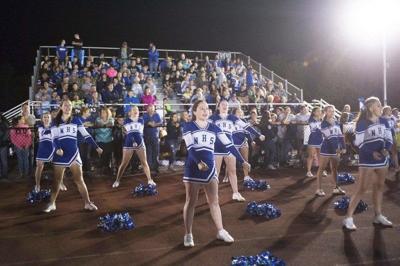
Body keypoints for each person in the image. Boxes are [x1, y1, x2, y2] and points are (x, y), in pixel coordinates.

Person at [182, 100, 251, 247]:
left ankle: (220, 230)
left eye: (207, 108)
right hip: (193, 168)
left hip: (210, 168)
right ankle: (188, 233)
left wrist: (242, 160)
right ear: (194, 112)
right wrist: (198, 163)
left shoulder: (214, 127)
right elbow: (191, 148)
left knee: (214, 201)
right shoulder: (188, 126)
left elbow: (229, 145)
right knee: (191, 202)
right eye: (201, 109)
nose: (205, 111)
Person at [343, 97, 393, 230]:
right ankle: (348, 217)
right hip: (367, 159)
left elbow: (389, 138)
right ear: (371, 108)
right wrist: (372, 153)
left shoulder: (384, 121)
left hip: (382, 159)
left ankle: (378, 215)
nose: (381, 108)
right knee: (362, 189)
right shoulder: (362, 123)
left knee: (379, 187)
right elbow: (359, 143)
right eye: (379, 105)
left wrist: (386, 149)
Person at [44, 100, 103, 213]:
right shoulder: (55, 121)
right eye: (65, 105)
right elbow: (54, 138)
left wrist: (96, 147)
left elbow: (86, 135)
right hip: (60, 154)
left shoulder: (76, 120)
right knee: (56, 180)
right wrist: (57, 149)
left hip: (73, 154)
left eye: (70, 106)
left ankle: (87, 203)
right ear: (61, 107)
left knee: (79, 180)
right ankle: (52, 204)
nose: (68, 107)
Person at [209, 100, 264, 201]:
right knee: (215, 172)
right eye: (222, 104)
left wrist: (258, 134)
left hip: (230, 147)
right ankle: (213, 194)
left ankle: (236, 193)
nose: (225, 106)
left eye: (226, 105)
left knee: (232, 170)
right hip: (217, 148)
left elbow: (246, 126)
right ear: (218, 107)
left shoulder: (232, 117)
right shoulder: (213, 118)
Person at [112, 106, 156, 188]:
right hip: (129, 143)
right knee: (124, 163)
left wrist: (136, 141)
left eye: (137, 110)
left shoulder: (141, 120)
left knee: (144, 162)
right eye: (134, 110)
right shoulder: (126, 121)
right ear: (130, 112)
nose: (136, 111)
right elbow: (129, 132)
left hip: (139, 142)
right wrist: (133, 141)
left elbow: (139, 132)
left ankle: (150, 179)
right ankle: (117, 180)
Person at [315, 105, 346, 197]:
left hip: (336, 149)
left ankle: (336, 188)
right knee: (321, 169)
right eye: (329, 111)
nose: (331, 112)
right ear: (325, 112)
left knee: (335, 169)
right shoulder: (324, 123)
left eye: (333, 111)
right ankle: (319, 189)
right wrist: (337, 149)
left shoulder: (336, 122)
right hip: (327, 149)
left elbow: (340, 136)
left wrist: (343, 147)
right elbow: (329, 138)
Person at [34, 112, 67, 192]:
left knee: (61, 166)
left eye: (48, 117)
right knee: (39, 167)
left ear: (50, 119)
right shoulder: (40, 126)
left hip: (53, 148)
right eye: (44, 117)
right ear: (42, 119)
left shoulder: (54, 126)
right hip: (43, 149)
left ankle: (61, 183)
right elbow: (45, 132)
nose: (46, 119)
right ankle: (37, 185)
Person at [232, 107, 262, 181]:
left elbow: (247, 132)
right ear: (234, 114)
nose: (240, 113)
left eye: (241, 112)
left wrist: (252, 141)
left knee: (245, 160)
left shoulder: (244, 121)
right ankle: (229, 175)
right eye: (238, 112)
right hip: (233, 143)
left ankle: (246, 176)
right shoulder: (230, 122)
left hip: (243, 142)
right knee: (231, 161)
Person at [143, 104, 162, 174]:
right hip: (147, 136)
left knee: (156, 152)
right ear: (147, 109)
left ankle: (155, 167)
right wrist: (149, 123)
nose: (151, 109)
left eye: (152, 108)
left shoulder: (157, 115)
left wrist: (155, 124)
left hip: (155, 136)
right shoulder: (145, 115)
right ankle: (149, 168)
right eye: (149, 108)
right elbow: (143, 123)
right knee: (148, 152)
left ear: (154, 109)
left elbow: (160, 122)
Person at [306, 107, 324, 177]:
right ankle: (308, 171)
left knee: (321, 156)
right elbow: (315, 128)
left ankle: (321, 171)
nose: (319, 112)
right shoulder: (311, 119)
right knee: (311, 156)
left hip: (320, 139)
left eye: (320, 111)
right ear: (314, 112)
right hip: (313, 140)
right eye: (317, 111)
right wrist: (321, 119)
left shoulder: (321, 119)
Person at [381, 106, 399, 171]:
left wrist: (394, 138)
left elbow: (393, 128)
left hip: (392, 137)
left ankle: (396, 166)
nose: (390, 111)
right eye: (389, 110)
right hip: (385, 138)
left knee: (394, 152)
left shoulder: (392, 119)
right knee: (385, 152)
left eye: (390, 110)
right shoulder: (381, 119)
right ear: (385, 111)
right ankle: (385, 166)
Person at [0, 113, 9, 181]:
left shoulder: (4, 124)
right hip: (3, 144)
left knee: (4, 161)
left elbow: (7, 134)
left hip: (3, 145)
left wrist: (3, 141)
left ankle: (5, 175)